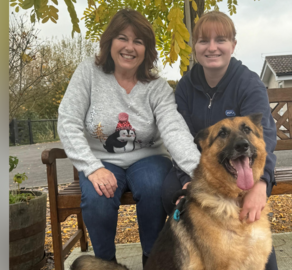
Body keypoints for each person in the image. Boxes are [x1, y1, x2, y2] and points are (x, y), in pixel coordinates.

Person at [57, 9, 200, 267]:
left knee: (155, 186)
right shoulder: (89, 73)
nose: (129, 47)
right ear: (110, 42)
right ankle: (105, 264)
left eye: (138, 41)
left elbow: (174, 129)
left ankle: (153, 261)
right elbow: (68, 121)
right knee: (98, 198)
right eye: (122, 38)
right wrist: (92, 168)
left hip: (148, 158)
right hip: (100, 160)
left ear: (147, 49)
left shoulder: (156, 87)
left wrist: (199, 174)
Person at [161, 10, 279, 269]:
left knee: (252, 211)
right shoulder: (185, 87)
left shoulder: (249, 84)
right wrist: (188, 181)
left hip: (245, 167)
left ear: (233, 45)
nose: (212, 47)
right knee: (170, 192)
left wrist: (262, 184)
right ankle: (179, 258)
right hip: (196, 165)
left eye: (221, 40)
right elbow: (180, 137)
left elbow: (265, 136)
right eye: (204, 41)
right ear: (194, 47)